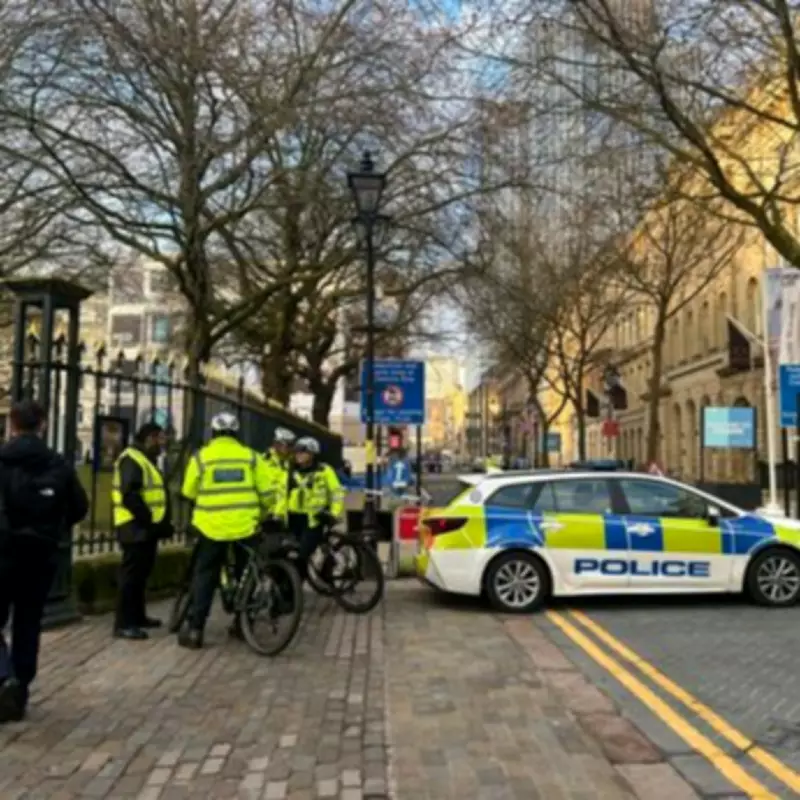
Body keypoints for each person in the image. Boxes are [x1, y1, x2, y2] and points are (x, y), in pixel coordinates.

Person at [0, 400, 89, 723]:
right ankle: (20, 689)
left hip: (3, 549)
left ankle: (3, 676)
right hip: (40, 553)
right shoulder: (58, 464)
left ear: (12, 425)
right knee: (28, 622)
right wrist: (54, 527)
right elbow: (80, 507)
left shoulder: (2, 460)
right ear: (43, 425)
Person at [178, 411, 279, 650]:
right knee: (247, 572)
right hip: (246, 525)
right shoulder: (252, 458)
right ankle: (243, 625)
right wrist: (261, 515)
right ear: (237, 433)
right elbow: (268, 494)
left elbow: (189, 491)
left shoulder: (201, 458)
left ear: (213, 433)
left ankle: (195, 630)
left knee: (205, 576)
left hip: (211, 528)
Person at [111, 422, 172, 640]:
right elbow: (130, 495)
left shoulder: (144, 459)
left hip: (144, 528)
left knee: (141, 575)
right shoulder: (131, 459)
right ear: (149, 438)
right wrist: (148, 520)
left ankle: (137, 616)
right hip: (133, 526)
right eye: (160, 439)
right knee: (131, 576)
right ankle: (123, 623)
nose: (162, 444)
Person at [283, 437, 345, 581]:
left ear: (312, 454)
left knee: (302, 555)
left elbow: (336, 492)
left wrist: (333, 513)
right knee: (288, 553)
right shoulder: (290, 471)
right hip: (293, 518)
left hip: (315, 519)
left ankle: (295, 588)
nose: (298, 455)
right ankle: (293, 587)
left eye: (303, 452)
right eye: (297, 452)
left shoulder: (324, 471)